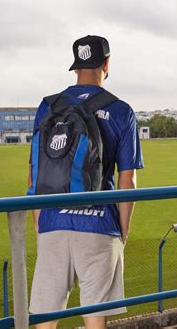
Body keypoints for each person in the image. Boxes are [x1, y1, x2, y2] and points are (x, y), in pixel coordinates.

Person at [28, 35, 144, 329]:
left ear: (75, 67)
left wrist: (41, 221)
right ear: (106, 64)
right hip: (100, 225)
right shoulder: (122, 111)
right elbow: (127, 180)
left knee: (45, 318)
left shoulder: (48, 106)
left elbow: (34, 173)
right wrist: (123, 232)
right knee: (94, 319)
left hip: (52, 220)